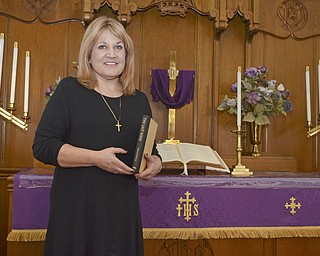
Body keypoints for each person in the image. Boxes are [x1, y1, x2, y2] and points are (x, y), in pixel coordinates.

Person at [32, 16, 162, 256]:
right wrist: (95, 158)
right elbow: (43, 147)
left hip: (122, 213)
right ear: (89, 54)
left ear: (127, 55)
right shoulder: (70, 90)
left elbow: (150, 151)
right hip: (77, 213)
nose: (111, 54)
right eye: (102, 46)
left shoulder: (139, 100)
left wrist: (155, 163)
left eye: (118, 47)